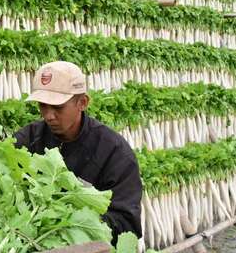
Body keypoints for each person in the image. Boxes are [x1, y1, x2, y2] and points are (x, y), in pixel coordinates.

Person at [13, 61, 143, 241]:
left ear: (82, 102)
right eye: (43, 105)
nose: (49, 115)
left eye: (58, 107)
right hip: (31, 241)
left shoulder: (115, 153)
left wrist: (72, 222)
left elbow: (127, 224)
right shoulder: (28, 138)